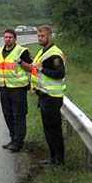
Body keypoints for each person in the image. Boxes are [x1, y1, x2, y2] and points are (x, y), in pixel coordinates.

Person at [31, 25, 66, 165]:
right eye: (38, 36)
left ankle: (58, 160)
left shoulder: (54, 54)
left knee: (54, 130)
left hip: (52, 97)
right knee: (48, 130)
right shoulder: (43, 52)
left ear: (50, 37)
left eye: (43, 36)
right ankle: (53, 158)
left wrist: (42, 69)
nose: (40, 38)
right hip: (44, 96)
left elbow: (60, 73)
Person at [0, 29, 32, 152]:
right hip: (4, 88)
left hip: (18, 89)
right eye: (5, 37)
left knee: (18, 116)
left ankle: (18, 142)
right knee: (8, 115)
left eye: (10, 37)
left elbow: (30, 68)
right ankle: (13, 138)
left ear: (15, 39)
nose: (7, 39)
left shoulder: (21, 51)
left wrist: (20, 61)